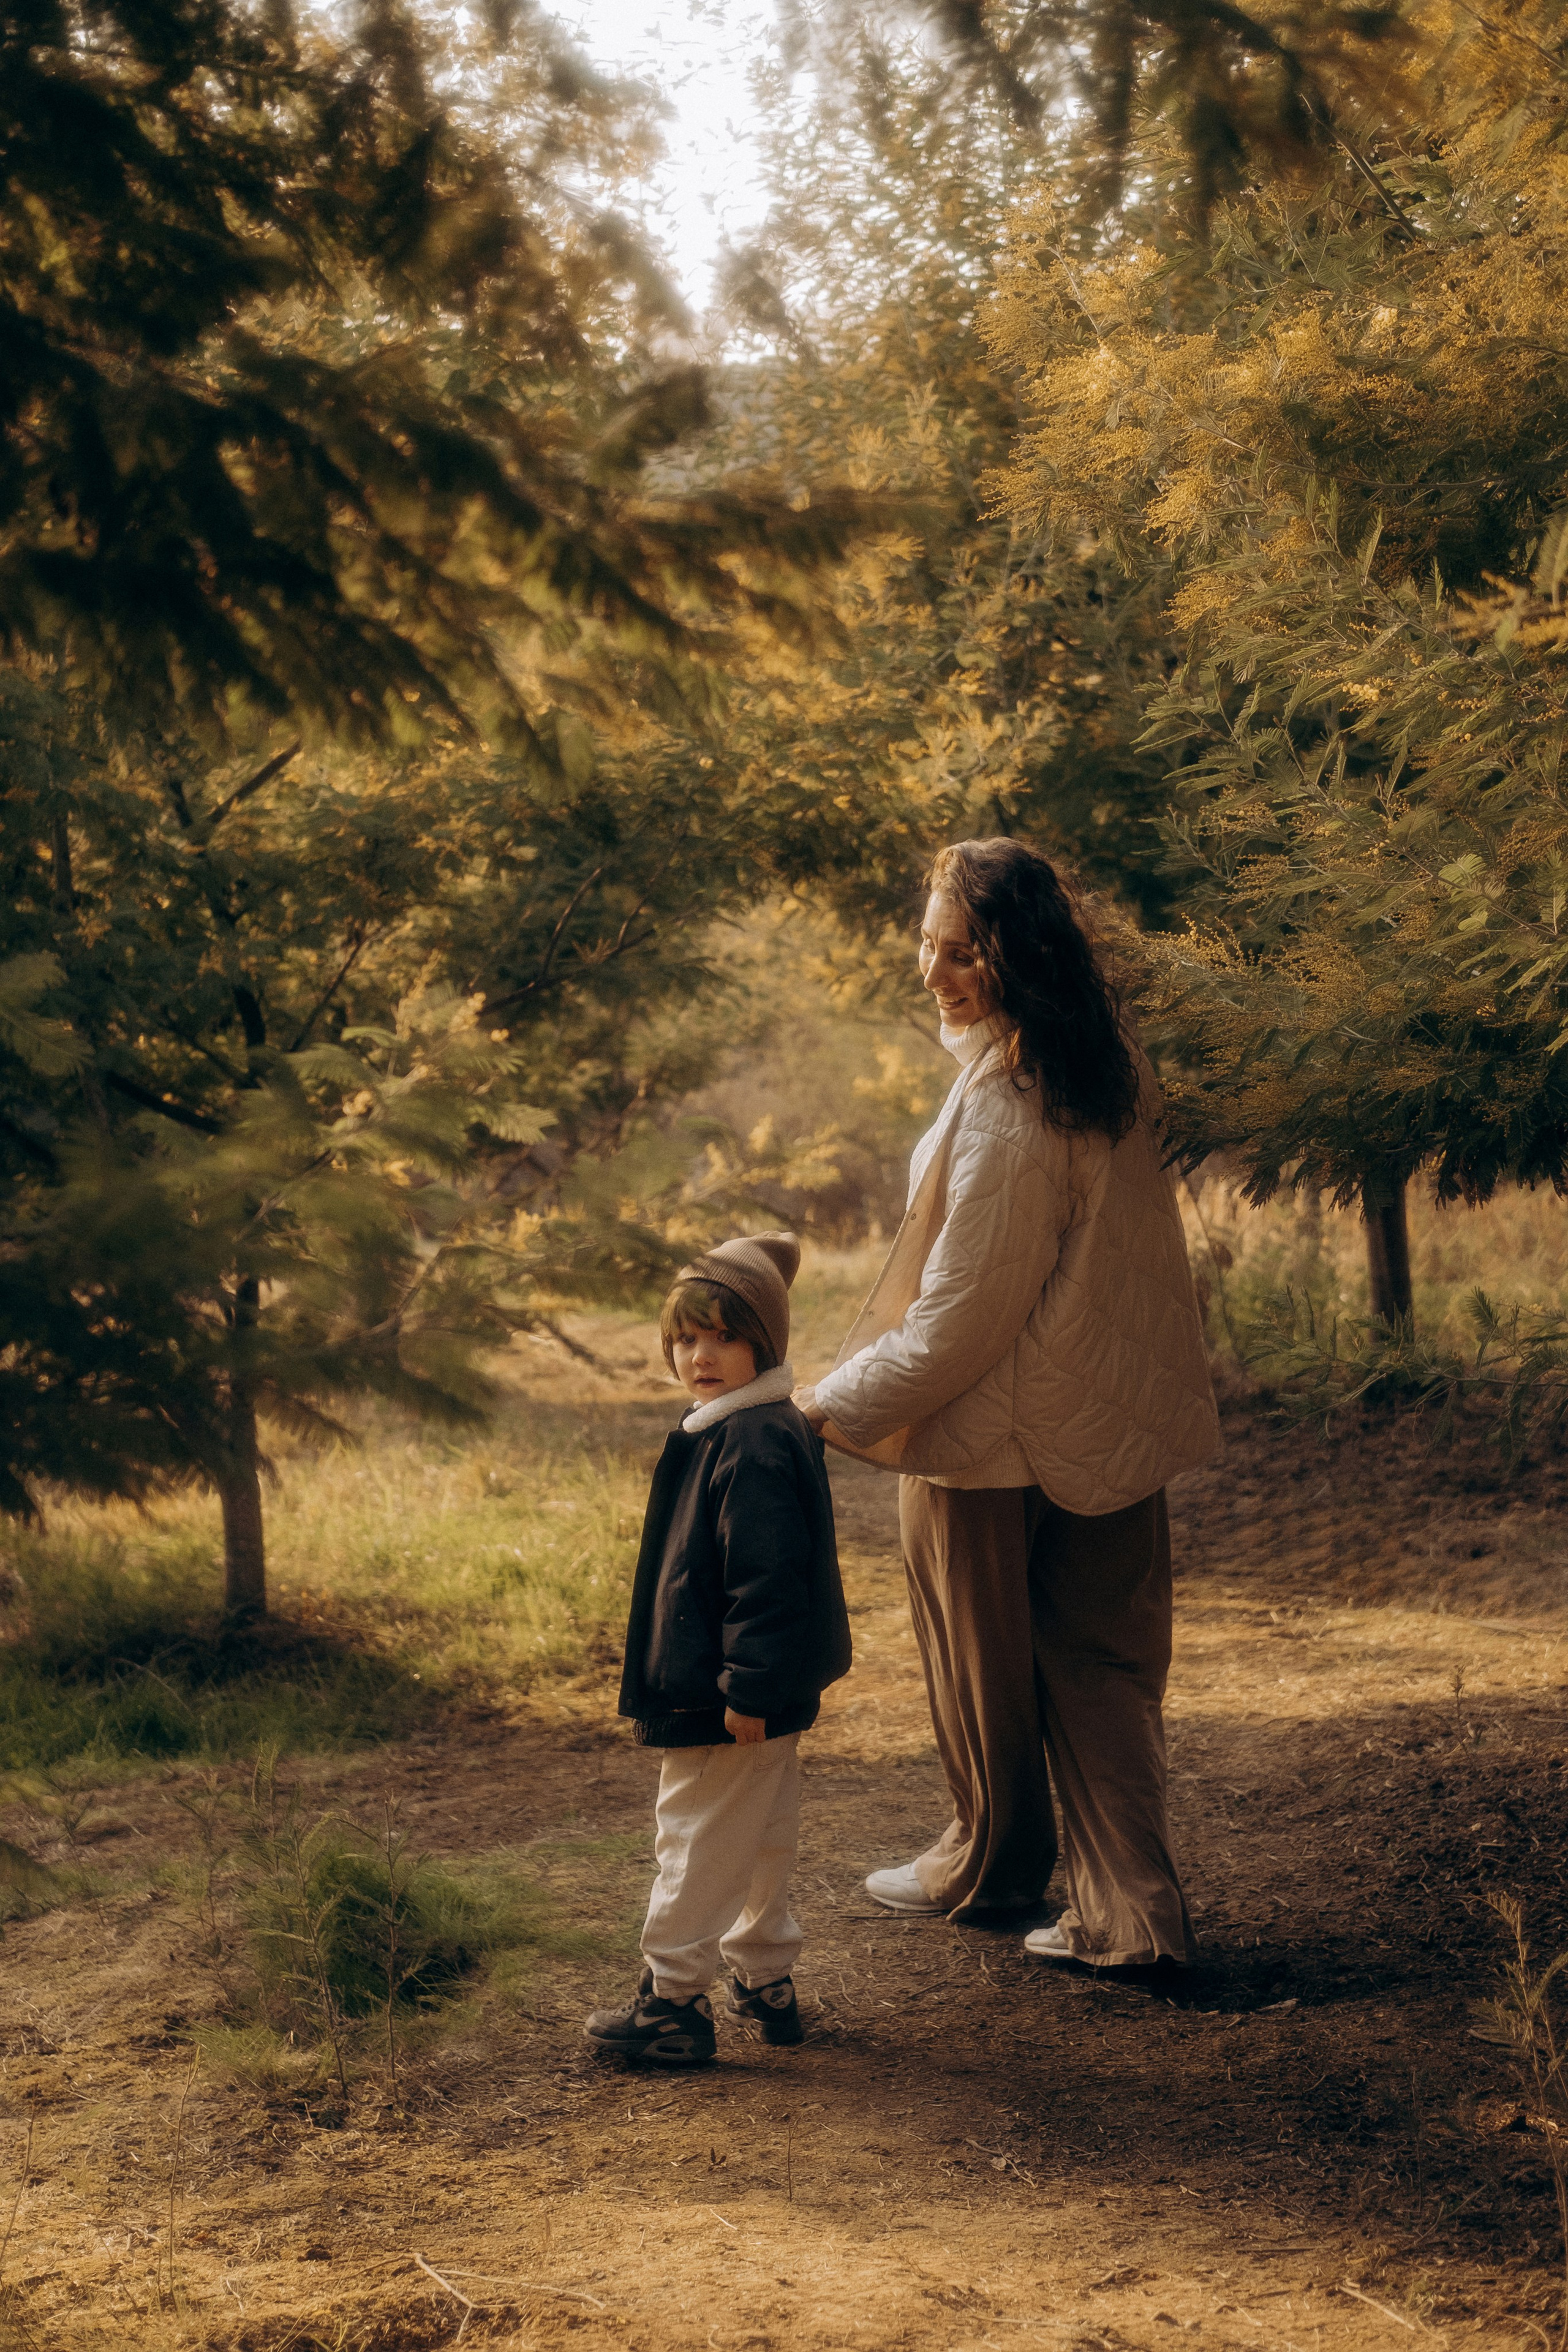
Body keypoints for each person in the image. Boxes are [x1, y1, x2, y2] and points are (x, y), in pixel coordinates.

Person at [794, 839, 1218, 1975]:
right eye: (927, 943)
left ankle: (990, 1865)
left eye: (959, 949)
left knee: (981, 1669)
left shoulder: (1013, 1102)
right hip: (1110, 1428)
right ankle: (1135, 1916)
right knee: (1107, 1673)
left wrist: (817, 1409)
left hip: (997, 1439)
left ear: (1017, 955)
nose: (932, 969)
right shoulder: (1105, 1062)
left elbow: (958, 1326)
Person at [584, 1232, 851, 2067]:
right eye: (687, 1338)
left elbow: (767, 1578)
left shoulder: (753, 1442)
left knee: (696, 1833)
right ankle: (765, 1973)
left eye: (726, 1338)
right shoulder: (748, 1427)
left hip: (727, 1692)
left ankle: (672, 2000)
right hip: (754, 1688)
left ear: (763, 1345)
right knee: (762, 1833)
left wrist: (746, 1686)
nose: (701, 1356)